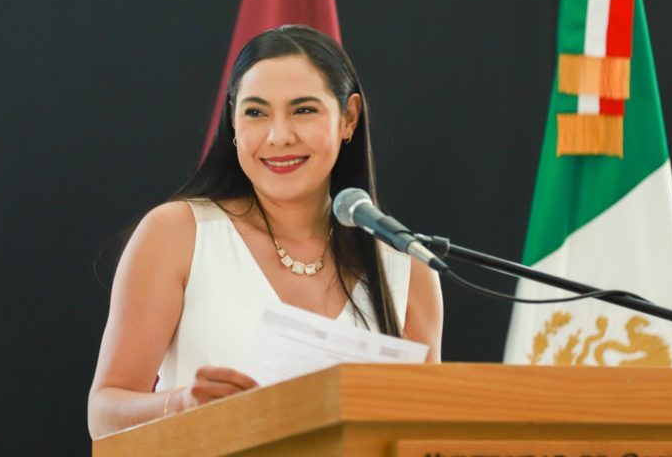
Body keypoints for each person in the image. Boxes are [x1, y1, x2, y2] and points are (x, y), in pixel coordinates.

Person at [88, 25, 443, 438]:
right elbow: (103, 414)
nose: (279, 137)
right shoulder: (178, 233)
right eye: (256, 113)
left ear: (348, 118)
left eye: (303, 110)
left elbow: (423, 434)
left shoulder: (405, 265)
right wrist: (182, 405)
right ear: (234, 124)